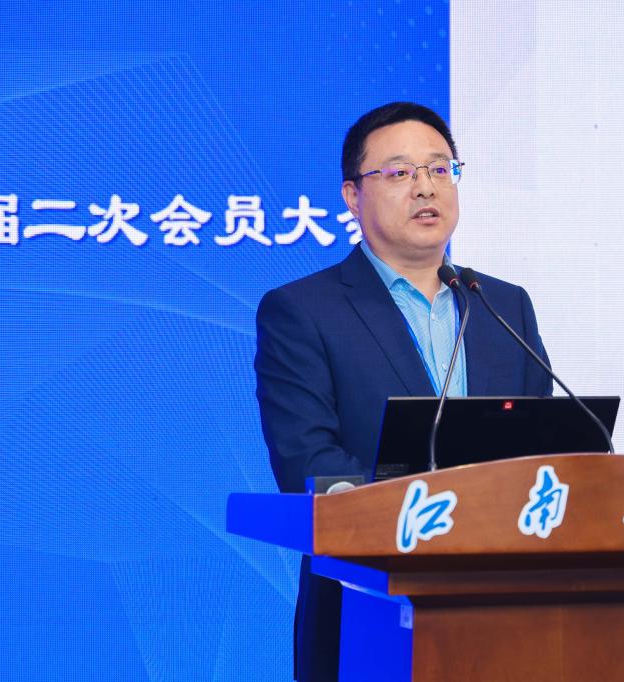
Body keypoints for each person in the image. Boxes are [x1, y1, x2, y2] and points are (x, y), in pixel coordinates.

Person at [254, 101, 553, 682]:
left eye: (440, 169)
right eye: (399, 172)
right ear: (352, 195)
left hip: (511, 607)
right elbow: (309, 463)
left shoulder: (503, 304)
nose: (425, 188)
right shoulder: (302, 311)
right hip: (368, 609)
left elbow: (543, 449)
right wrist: (446, 518)